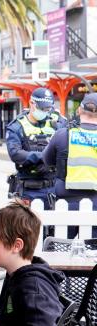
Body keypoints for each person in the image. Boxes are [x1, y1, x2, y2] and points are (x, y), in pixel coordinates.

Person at [43, 92, 97, 238]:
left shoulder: (63, 135)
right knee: (93, 253)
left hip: (66, 204)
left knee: (62, 250)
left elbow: (47, 160)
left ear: (79, 110)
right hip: (95, 206)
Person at [7, 87, 67, 209]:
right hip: (29, 189)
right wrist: (45, 156)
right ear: (32, 103)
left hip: (54, 187)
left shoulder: (59, 123)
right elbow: (15, 154)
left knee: (55, 227)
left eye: (48, 108)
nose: (46, 112)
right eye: (42, 108)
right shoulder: (17, 126)